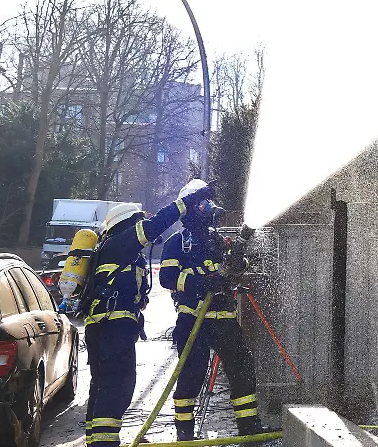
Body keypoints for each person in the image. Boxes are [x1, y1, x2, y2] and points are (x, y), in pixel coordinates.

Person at [84, 187, 213, 447]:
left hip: (105, 326)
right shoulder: (120, 243)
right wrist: (186, 203)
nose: (140, 226)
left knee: (103, 385)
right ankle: (104, 444)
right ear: (126, 224)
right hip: (113, 326)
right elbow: (155, 226)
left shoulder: (114, 249)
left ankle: (95, 441)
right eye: (136, 222)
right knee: (116, 386)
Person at [159, 179, 265, 441]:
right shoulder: (177, 242)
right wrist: (202, 282)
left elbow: (230, 273)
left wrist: (240, 263)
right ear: (191, 207)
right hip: (192, 319)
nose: (209, 207)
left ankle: (248, 429)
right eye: (203, 202)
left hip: (224, 318)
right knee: (191, 374)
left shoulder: (217, 240)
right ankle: (185, 434)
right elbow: (167, 278)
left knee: (242, 369)